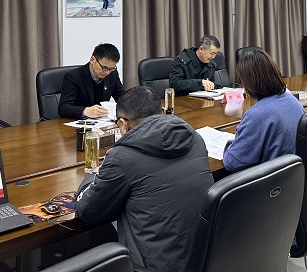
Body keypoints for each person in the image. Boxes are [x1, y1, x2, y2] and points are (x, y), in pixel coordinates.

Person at [75, 86, 213, 272]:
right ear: (162, 112)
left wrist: (94, 175)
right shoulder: (195, 139)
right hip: (203, 257)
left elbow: (87, 211)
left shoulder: (122, 157)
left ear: (123, 124)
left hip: (155, 265)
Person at [222, 48, 305, 173]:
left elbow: (232, 162)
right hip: (293, 178)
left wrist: (230, 143)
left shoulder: (256, 114)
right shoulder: (293, 100)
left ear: (249, 83)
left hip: (270, 182)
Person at [59, 43, 126, 119]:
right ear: (92, 60)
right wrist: (85, 111)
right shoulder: (73, 77)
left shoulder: (112, 74)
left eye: (111, 69)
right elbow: (63, 108)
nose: (107, 72)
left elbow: (122, 98)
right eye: (104, 68)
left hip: (102, 122)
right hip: (78, 122)